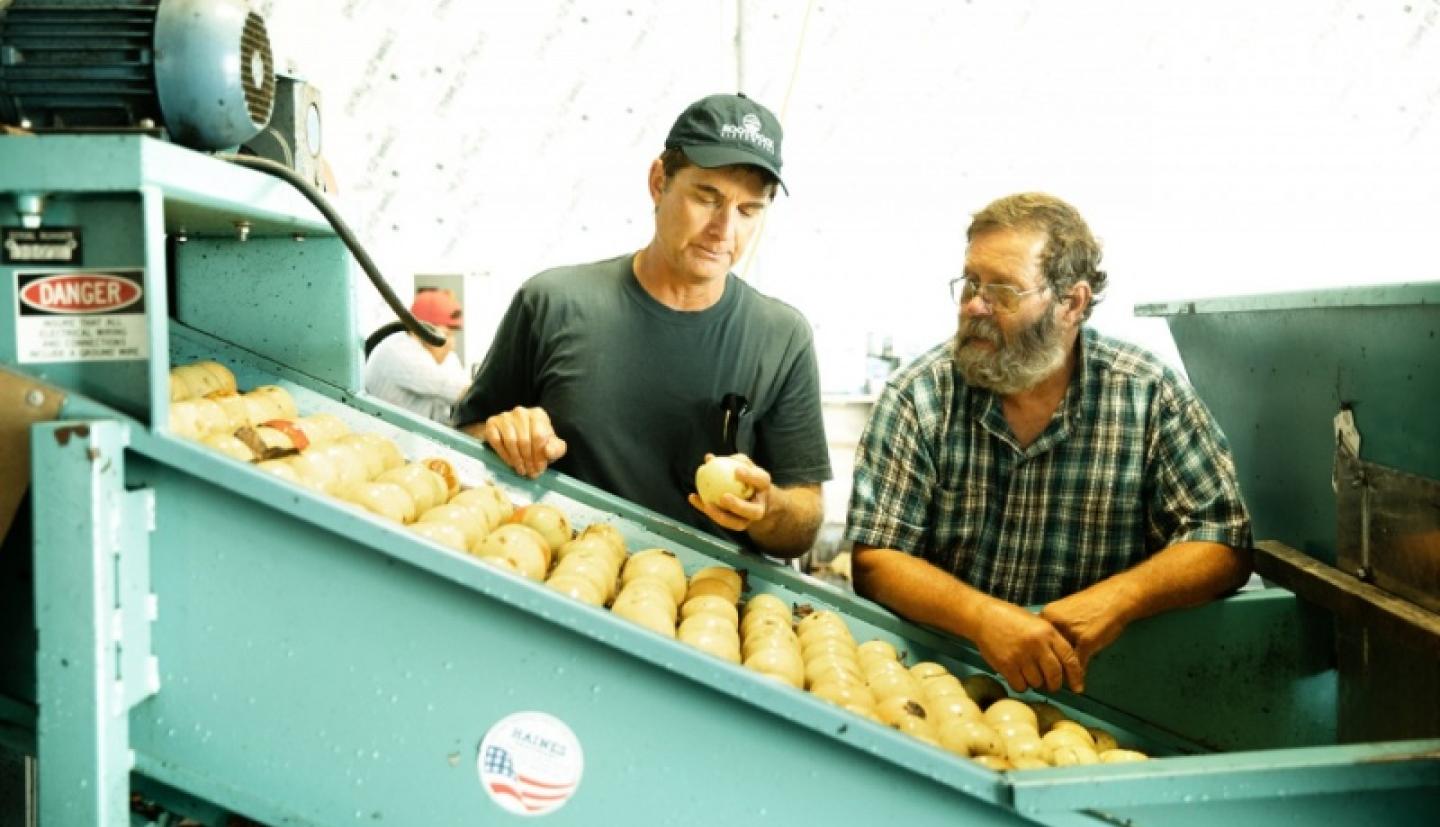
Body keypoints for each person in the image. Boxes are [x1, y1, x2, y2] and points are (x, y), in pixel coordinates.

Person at [845, 193, 1252, 694]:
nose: (976, 305)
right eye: (971, 282)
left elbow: (1222, 540)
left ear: (1072, 303)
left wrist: (1118, 599)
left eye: (1004, 291)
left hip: (1100, 694)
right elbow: (876, 558)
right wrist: (982, 618)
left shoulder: (1146, 394)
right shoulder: (920, 395)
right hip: (940, 684)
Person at [453, 93, 830, 558]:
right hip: (558, 580)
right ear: (658, 182)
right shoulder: (554, 303)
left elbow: (805, 523)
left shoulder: (782, 337)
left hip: (707, 608)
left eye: (749, 210)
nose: (724, 229)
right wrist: (503, 435)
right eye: (706, 197)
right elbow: (462, 444)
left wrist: (768, 508)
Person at [364, 289, 470, 424]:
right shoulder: (398, 351)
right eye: (447, 334)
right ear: (421, 331)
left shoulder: (446, 357)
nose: (451, 344)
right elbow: (466, 394)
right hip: (383, 436)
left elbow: (467, 391)